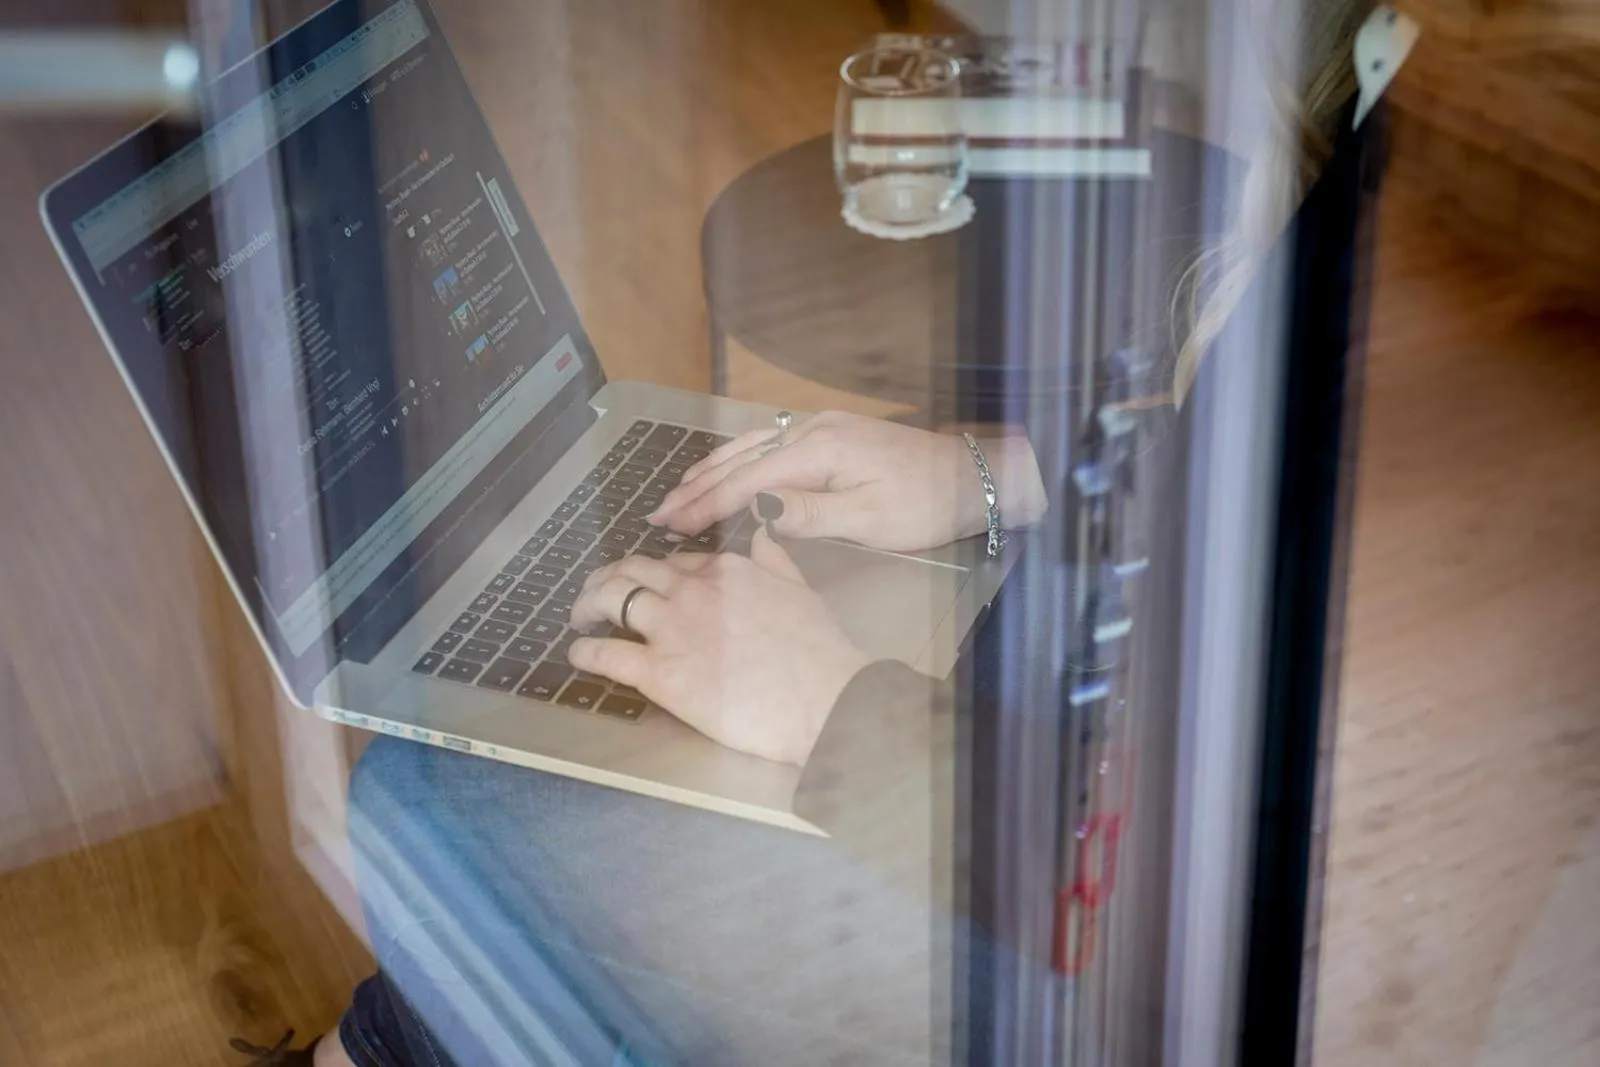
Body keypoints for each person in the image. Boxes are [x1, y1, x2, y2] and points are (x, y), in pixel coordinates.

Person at [233, 2, 1395, 1063]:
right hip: (1043, 735)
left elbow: (1169, 892)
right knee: (495, 799)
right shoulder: (1365, 112)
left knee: (420, 803)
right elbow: (1235, 466)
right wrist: (992, 472)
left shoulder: (1387, 194)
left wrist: (830, 703)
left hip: (1056, 938)